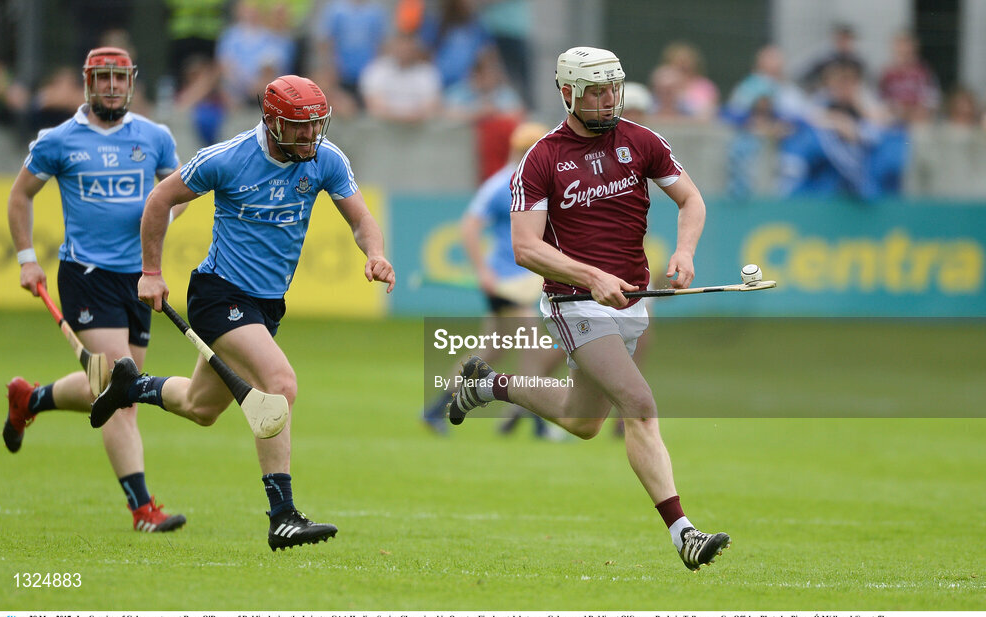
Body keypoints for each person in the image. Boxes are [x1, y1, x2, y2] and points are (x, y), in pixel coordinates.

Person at [446, 47, 731, 571]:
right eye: (595, 91)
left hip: (630, 300)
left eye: (612, 88)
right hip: (573, 302)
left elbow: (691, 200)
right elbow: (525, 247)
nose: (607, 99)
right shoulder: (541, 158)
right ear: (568, 94)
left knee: (583, 421)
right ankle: (684, 534)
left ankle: (487, 385)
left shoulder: (642, 141)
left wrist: (684, 250)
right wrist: (591, 276)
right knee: (639, 404)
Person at [89, 75, 396, 551]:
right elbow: (159, 200)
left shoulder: (325, 159)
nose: (310, 136)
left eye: (316, 126)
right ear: (272, 123)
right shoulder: (227, 159)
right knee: (280, 383)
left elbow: (360, 219)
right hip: (218, 295)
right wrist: (150, 271)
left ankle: (131, 386)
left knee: (200, 406)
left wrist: (374, 253)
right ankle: (283, 516)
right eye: (299, 128)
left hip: (266, 305)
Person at [4, 47, 186, 533]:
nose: (111, 86)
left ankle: (31, 400)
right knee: (121, 394)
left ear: (132, 82)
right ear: (88, 83)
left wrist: (158, 217)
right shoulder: (59, 140)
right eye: (102, 77)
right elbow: (21, 195)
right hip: (86, 275)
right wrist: (27, 260)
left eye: (119, 77)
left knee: (103, 389)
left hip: (140, 277)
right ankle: (143, 509)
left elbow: (177, 194)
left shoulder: (155, 137)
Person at [421, 121, 565, 438]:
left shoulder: (533, 182)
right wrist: (484, 272)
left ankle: (436, 408)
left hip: (520, 281)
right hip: (503, 281)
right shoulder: (504, 184)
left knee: (491, 350)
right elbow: (470, 226)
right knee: (532, 343)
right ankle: (538, 422)